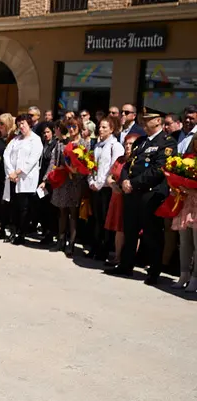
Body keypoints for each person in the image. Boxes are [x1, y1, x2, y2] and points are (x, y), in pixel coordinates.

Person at [106, 107, 177, 286]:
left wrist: (134, 183)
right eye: (143, 120)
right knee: (130, 230)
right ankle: (126, 265)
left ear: (158, 121)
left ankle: (154, 272)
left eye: (148, 120)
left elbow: (158, 169)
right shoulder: (140, 142)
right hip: (131, 194)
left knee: (151, 235)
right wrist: (124, 181)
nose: (144, 123)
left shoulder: (167, 143)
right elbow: (127, 163)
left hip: (151, 194)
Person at [41, 118, 88, 257]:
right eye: (69, 126)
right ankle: (61, 240)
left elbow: (87, 164)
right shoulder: (61, 144)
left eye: (74, 126)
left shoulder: (84, 143)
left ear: (79, 127)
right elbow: (53, 162)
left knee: (73, 212)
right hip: (62, 181)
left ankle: (71, 243)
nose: (72, 129)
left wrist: (76, 171)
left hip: (75, 182)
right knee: (61, 211)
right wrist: (46, 179)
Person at [3, 114, 43, 245]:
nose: (21, 126)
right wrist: (11, 172)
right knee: (13, 207)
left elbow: (32, 160)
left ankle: (21, 234)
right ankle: (13, 231)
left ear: (29, 124)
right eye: (19, 124)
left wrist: (17, 173)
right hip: (13, 178)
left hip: (26, 179)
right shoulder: (16, 140)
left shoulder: (35, 140)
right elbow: (6, 155)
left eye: (23, 123)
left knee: (24, 208)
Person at [87, 118, 124, 260]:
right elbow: (92, 165)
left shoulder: (115, 146)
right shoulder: (97, 145)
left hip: (107, 188)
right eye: (100, 127)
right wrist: (91, 180)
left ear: (111, 129)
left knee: (106, 220)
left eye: (104, 127)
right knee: (96, 218)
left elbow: (113, 169)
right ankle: (95, 246)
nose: (100, 130)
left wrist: (100, 183)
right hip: (95, 187)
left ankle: (104, 248)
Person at [104, 134, 137, 267]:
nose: (128, 146)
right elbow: (110, 176)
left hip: (131, 197)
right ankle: (117, 257)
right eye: (126, 143)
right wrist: (112, 185)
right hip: (117, 196)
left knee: (132, 230)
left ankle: (130, 259)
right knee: (119, 228)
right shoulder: (120, 160)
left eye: (131, 144)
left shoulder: (138, 160)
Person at [171, 134, 197, 291]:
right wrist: (176, 187)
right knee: (185, 241)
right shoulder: (188, 158)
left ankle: (195, 277)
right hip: (186, 204)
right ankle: (184, 273)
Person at [37, 122, 58, 244]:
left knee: (50, 208)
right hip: (40, 178)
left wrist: (46, 180)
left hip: (50, 180)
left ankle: (51, 233)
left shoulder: (55, 145)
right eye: (44, 132)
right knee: (42, 206)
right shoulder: (42, 144)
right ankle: (45, 230)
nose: (45, 135)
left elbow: (53, 164)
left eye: (48, 132)